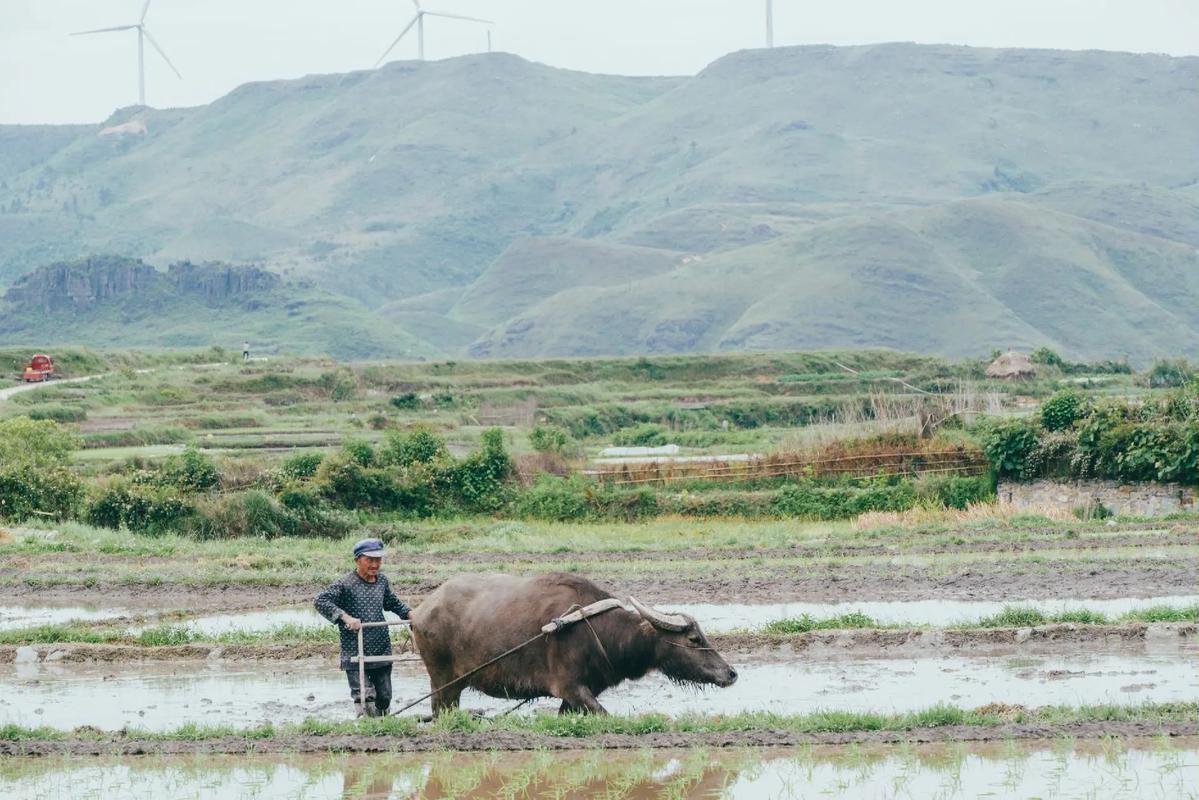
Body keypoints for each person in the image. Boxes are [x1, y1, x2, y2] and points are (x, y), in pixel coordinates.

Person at [315, 538, 412, 717]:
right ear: (357, 560)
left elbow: (393, 603)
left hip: (381, 649)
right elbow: (321, 600)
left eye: (378, 560)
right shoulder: (345, 584)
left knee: (384, 697)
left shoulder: (382, 581)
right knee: (365, 696)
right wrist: (345, 617)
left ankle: (383, 724)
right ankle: (367, 728)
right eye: (370, 560)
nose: (375, 564)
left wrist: (412, 615)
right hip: (355, 650)